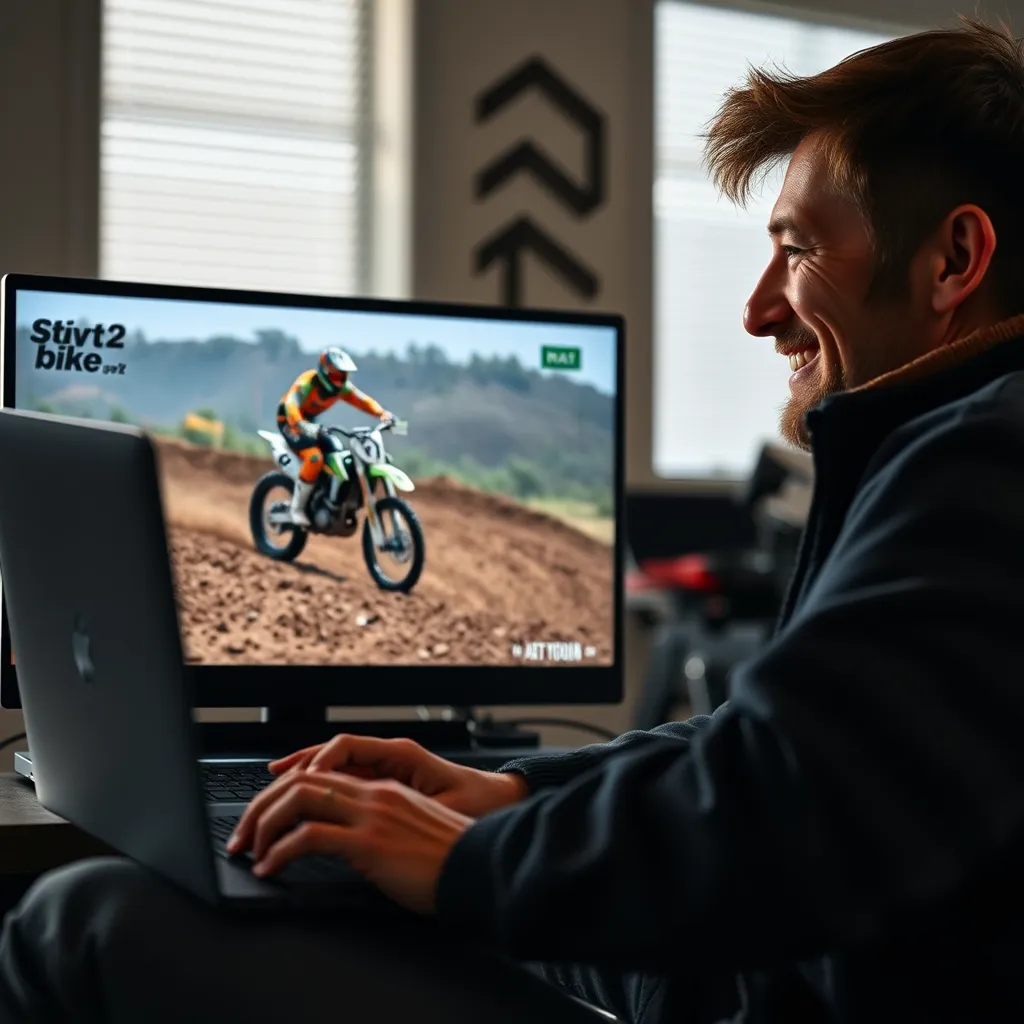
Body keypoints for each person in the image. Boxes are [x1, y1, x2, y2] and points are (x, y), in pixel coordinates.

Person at [6, 12, 1024, 1023]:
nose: (758, 310)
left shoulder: (987, 456)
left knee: (86, 921)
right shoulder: (947, 448)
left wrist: (464, 860)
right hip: (741, 971)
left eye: (796, 250)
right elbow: (767, 748)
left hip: (756, 983)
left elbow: (773, 804)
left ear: (953, 259)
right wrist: (509, 795)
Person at [276, 346, 395, 527]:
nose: (339, 378)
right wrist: (301, 424)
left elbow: (363, 400)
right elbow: (291, 404)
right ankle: (297, 508)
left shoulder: (342, 389)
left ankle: (327, 495)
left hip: (310, 424)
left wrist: (382, 414)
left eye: (342, 374)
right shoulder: (307, 383)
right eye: (334, 373)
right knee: (315, 458)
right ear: (324, 369)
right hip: (289, 422)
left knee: (336, 451)